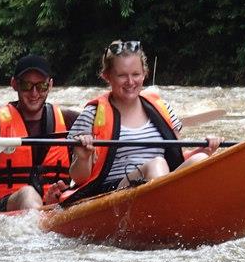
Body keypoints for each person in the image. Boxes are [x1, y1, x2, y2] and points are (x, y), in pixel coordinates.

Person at [64, 40, 221, 203]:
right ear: (107, 77)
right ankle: (168, 211)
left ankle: (176, 210)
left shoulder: (163, 108)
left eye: (136, 74)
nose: (130, 82)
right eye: (122, 75)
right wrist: (83, 158)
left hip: (161, 183)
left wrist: (205, 149)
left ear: (144, 73)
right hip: (112, 192)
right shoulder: (92, 115)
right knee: (156, 164)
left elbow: (178, 158)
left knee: (200, 159)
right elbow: (79, 179)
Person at [0, 53, 78, 212]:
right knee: (27, 194)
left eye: (41, 86)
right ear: (14, 84)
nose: (34, 93)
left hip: (55, 202)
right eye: (26, 85)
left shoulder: (71, 121)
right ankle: (42, 217)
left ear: (50, 85)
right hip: (6, 206)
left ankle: (48, 208)